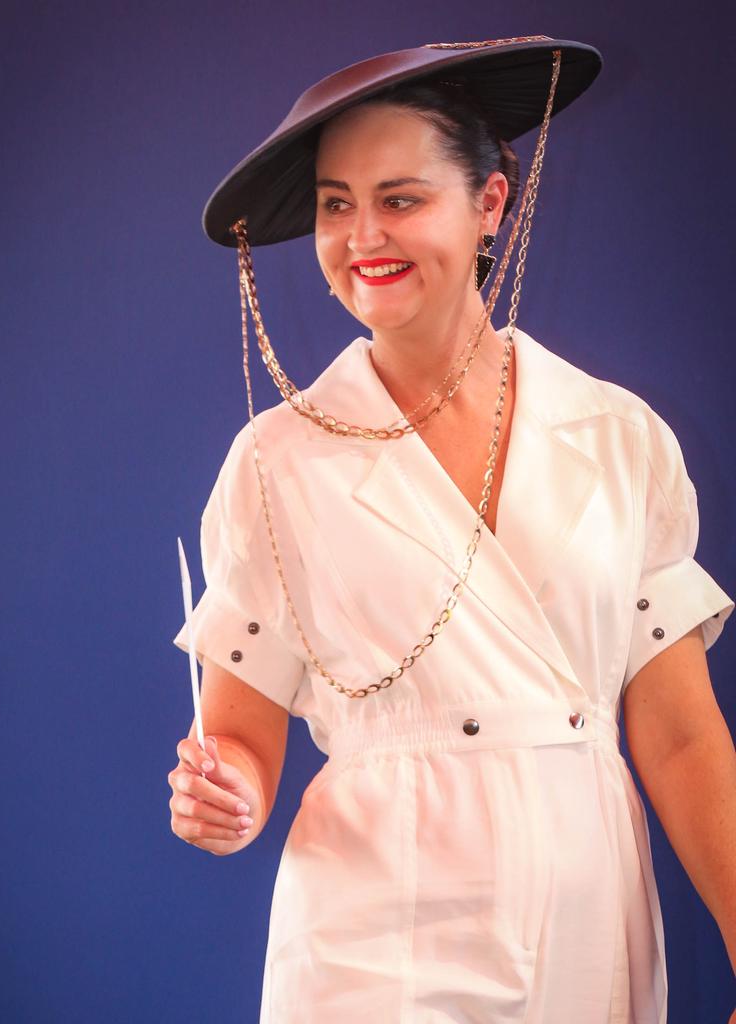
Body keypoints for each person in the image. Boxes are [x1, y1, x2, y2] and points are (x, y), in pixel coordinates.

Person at [167, 36, 736, 1023]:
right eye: (336, 204)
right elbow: (241, 739)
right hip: (368, 926)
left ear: (491, 205)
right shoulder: (276, 461)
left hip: (586, 911)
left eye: (400, 197)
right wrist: (228, 801)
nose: (362, 236)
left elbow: (684, 738)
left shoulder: (618, 435)